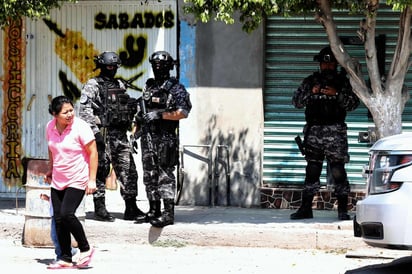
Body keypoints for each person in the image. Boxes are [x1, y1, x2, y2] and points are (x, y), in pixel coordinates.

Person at [291, 46, 359, 221]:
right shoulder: (310, 82)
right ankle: (306, 208)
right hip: (314, 132)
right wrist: (311, 92)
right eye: (324, 63)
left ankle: (342, 210)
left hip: (335, 132)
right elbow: (296, 102)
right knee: (312, 170)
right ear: (320, 64)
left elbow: (352, 104)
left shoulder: (343, 83)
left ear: (336, 64)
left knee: (337, 170)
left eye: (331, 63)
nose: (327, 66)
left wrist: (336, 94)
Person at [79, 51, 143, 221]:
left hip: (120, 134)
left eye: (114, 66)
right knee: (101, 170)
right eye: (109, 66)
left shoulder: (120, 84)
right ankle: (100, 208)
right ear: (101, 66)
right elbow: (84, 112)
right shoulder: (92, 85)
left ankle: (131, 207)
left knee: (129, 170)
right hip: (103, 133)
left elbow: (124, 105)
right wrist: (95, 134)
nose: (112, 69)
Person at [134, 51, 192, 227]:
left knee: (165, 176)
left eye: (161, 66)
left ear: (168, 67)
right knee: (149, 175)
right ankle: (153, 209)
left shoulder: (176, 88)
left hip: (165, 139)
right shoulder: (149, 86)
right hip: (148, 138)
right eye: (155, 66)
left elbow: (183, 112)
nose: (157, 69)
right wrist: (135, 133)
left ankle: (168, 214)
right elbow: (140, 114)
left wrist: (160, 115)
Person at [45, 96, 96, 268]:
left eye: (71, 110)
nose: (70, 114)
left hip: (77, 178)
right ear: (55, 114)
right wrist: (51, 169)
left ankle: (85, 248)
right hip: (58, 179)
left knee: (67, 214)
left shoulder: (81, 127)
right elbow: (52, 149)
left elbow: (93, 153)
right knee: (59, 219)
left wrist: (92, 180)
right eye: (65, 112)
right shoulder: (50, 127)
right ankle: (65, 258)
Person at [39, 193, 78, 262]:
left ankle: (60, 256)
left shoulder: (59, 186)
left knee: (56, 236)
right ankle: (69, 251)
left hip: (58, 214)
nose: (45, 181)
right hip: (54, 214)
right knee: (55, 236)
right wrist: (48, 198)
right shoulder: (55, 188)